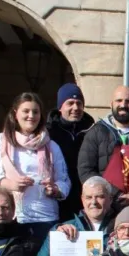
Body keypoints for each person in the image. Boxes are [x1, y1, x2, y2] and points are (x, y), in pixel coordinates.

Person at [0, 92, 70, 240]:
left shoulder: (51, 146)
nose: (31, 116)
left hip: (45, 218)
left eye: (35, 112)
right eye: (26, 111)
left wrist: (56, 189)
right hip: (12, 218)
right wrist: (8, 183)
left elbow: (64, 181)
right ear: (15, 113)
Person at [77, 85, 129, 208]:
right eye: (119, 101)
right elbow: (85, 170)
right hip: (105, 206)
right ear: (111, 104)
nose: (123, 105)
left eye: (128, 102)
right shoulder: (96, 132)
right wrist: (115, 194)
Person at [48, 83, 95, 221]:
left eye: (79, 103)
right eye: (70, 103)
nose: (75, 108)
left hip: (84, 195)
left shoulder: (92, 130)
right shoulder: (49, 132)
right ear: (60, 106)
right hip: (57, 195)